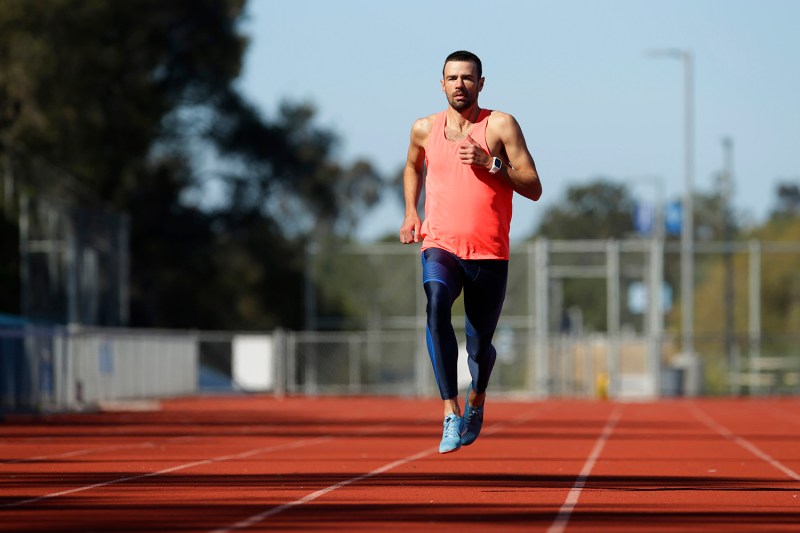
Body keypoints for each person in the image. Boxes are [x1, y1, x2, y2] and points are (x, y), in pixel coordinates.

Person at [399, 50, 542, 454]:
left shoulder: (500, 125)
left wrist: (491, 163)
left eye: (467, 78)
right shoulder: (425, 129)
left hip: (489, 253)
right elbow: (412, 166)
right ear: (441, 84)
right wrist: (411, 211)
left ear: (481, 84)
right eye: (452, 77)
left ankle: (476, 399)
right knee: (435, 304)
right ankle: (449, 410)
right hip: (440, 243)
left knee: (479, 346)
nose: (459, 84)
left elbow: (533, 186)